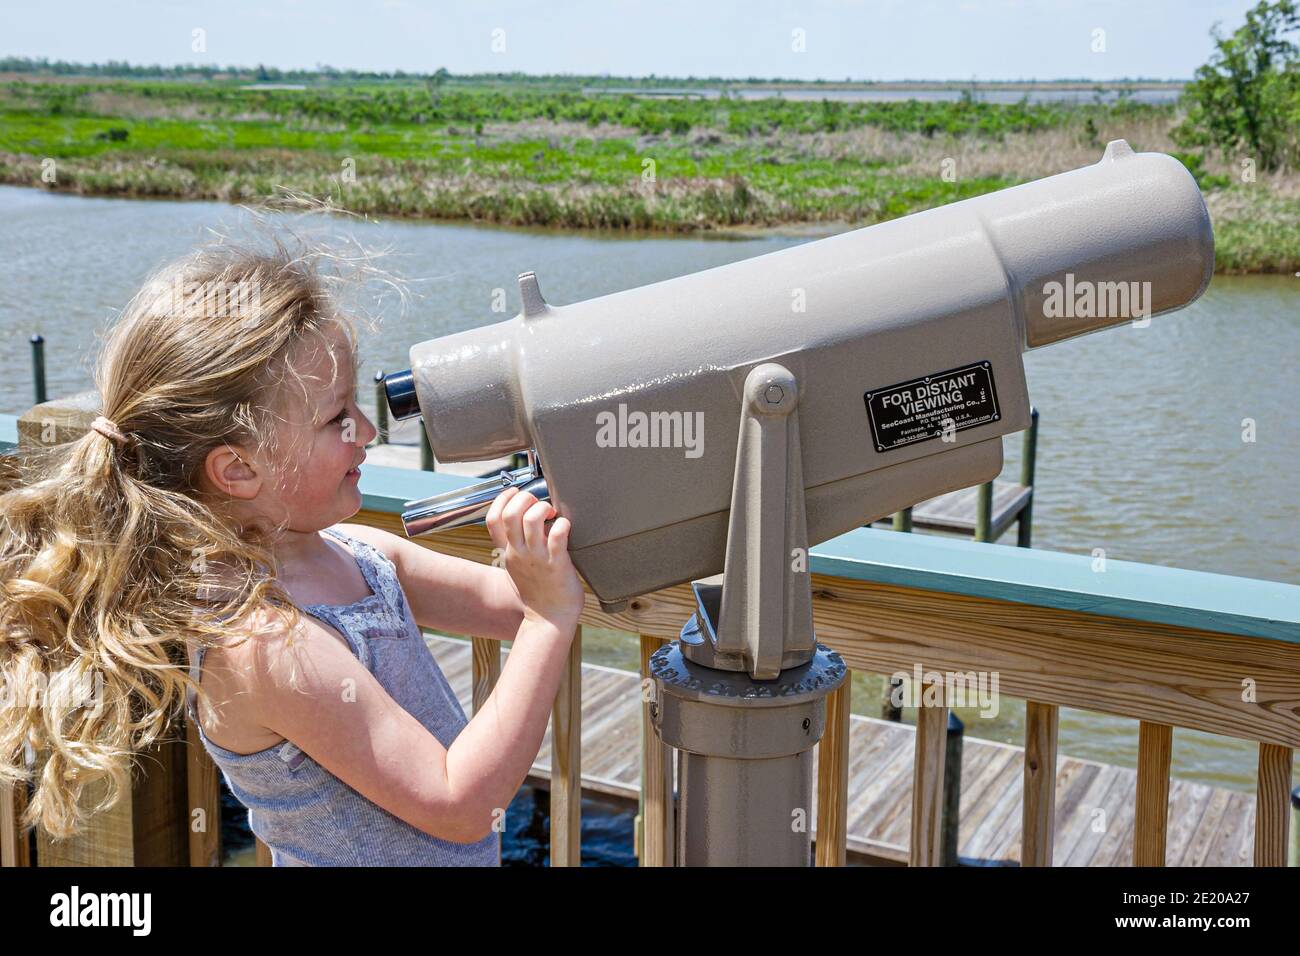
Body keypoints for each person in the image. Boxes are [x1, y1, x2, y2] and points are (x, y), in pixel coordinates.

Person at [0, 236, 586, 865]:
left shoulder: (359, 553)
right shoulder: (264, 642)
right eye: (337, 417)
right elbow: (460, 803)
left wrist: (568, 490)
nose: (365, 431)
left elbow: (513, 601)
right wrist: (548, 619)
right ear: (238, 470)